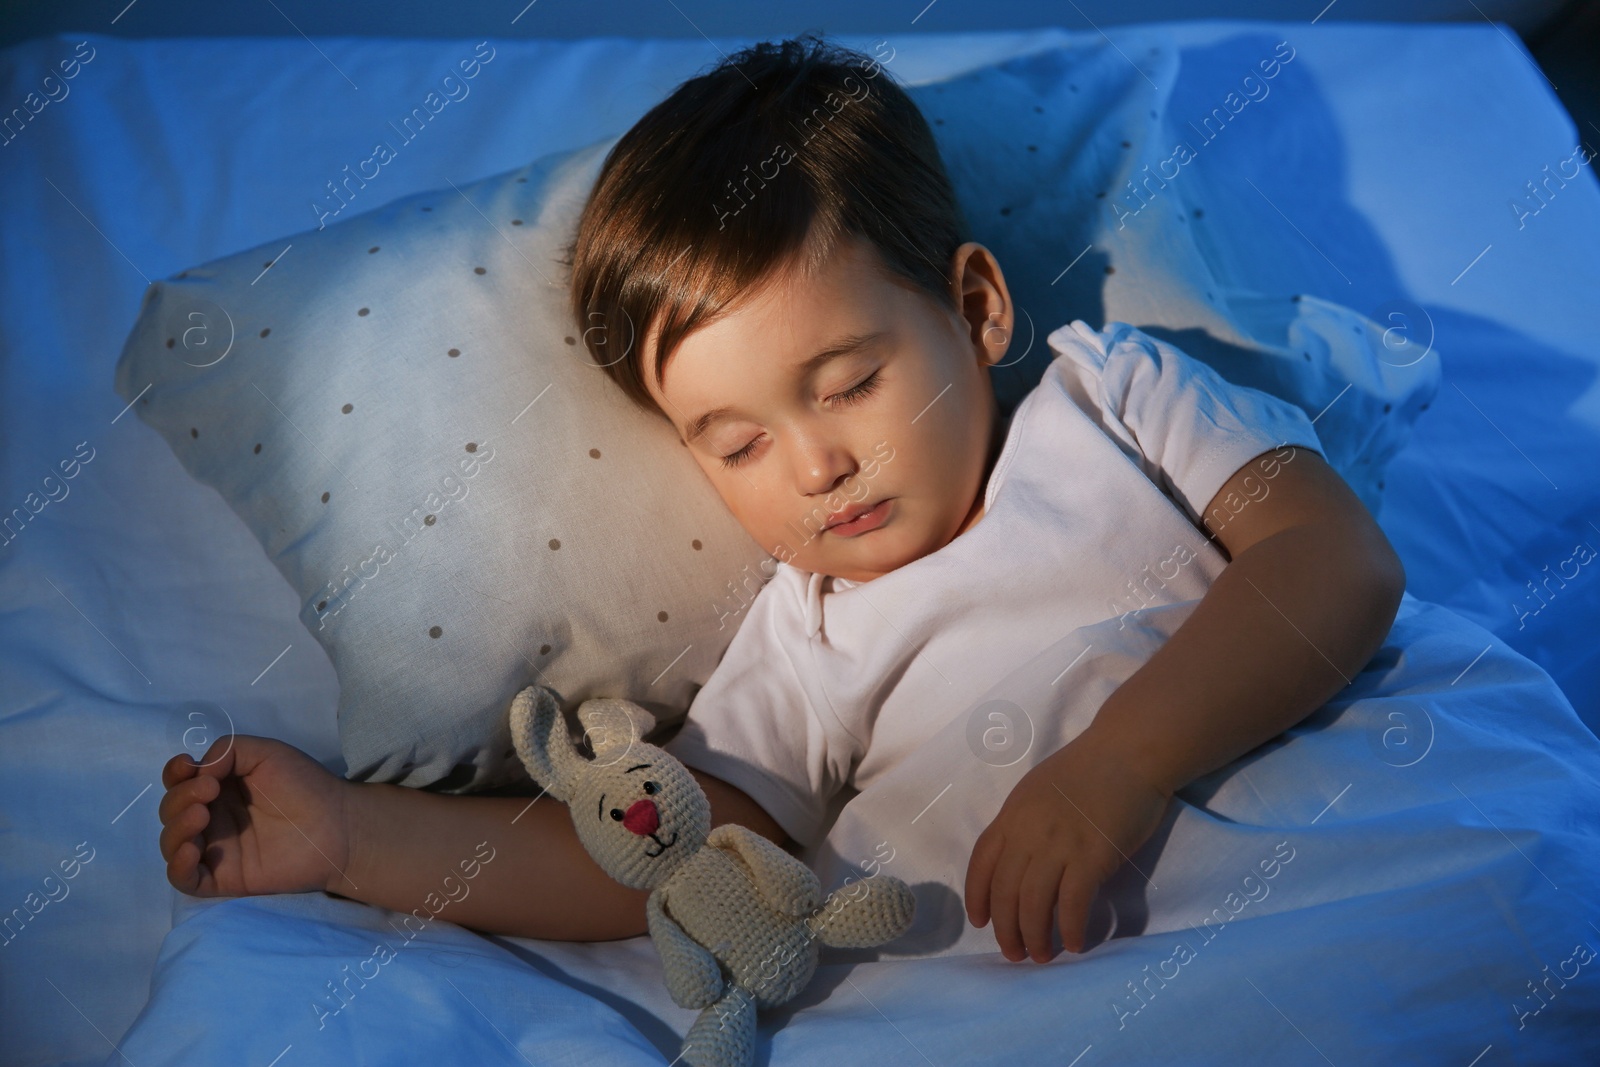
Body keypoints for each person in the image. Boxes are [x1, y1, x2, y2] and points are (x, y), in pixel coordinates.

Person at [158, 34, 1404, 965]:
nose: (815, 467)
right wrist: (350, 838)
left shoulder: (1118, 399)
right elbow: (666, 857)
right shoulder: (805, 642)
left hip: (1362, 860)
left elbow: (1331, 561)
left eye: (850, 382)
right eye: (737, 443)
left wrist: (1118, 764)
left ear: (975, 309)